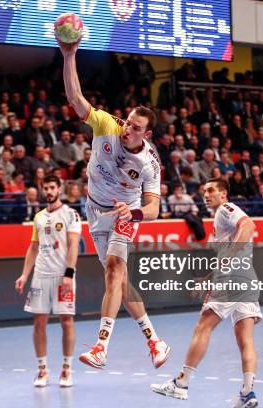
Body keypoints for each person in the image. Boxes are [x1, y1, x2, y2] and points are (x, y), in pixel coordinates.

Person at [58, 37, 170, 370]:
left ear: (146, 134)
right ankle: (155, 340)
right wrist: (69, 55)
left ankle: (101, 347)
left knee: (113, 271)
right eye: (128, 122)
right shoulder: (107, 124)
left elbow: (153, 210)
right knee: (121, 283)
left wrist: (132, 212)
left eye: (136, 128)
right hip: (93, 209)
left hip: (125, 213)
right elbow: (75, 98)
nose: (127, 130)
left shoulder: (150, 163)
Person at [151, 178, 261, 407]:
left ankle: (181, 384)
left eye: (211, 190)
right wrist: (207, 279)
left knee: (203, 327)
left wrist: (228, 259)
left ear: (224, 193)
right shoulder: (220, 219)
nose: (206, 195)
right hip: (247, 279)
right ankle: (248, 392)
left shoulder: (226, 209)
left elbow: (248, 226)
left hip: (231, 279)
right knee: (245, 338)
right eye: (204, 191)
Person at [15, 174, 81, 387]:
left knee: (66, 321)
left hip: (63, 277)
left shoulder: (71, 214)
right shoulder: (39, 217)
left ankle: (66, 369)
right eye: (46, 188)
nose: (49, 191)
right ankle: (42, 370)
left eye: (53, 187)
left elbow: (73, 245)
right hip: (40, 276)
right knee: (38, 322)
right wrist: (25, 275)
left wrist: (69, 274)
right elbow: (33, 247)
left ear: (59, 189)